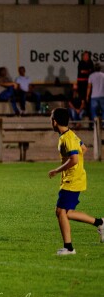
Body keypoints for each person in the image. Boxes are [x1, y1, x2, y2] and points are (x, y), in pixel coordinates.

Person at [47, 108, 104, 255]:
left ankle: (69, 248)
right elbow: (83, 149)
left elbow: (74, 159)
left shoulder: (67, 139)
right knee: (68, 213)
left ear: (55, 121)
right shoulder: (70, 135)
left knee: (60, 211)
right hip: (75, 178)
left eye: (51, 118)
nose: (50, 121)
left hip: (71, 180)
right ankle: (100, 223)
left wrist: (57, 170)